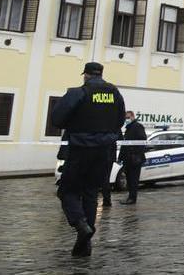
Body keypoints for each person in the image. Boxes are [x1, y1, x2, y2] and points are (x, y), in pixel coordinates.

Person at [51, 62, 125, 257]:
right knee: (91, 194)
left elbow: (57, 119)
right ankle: (85, 245)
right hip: (104, 151)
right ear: (101, 74)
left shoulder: (79, 92)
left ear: (86, 76)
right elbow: (119, 122)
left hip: (81, 149)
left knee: (67, 191)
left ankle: (80, 224)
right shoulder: (115, 93)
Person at [119, 110, 147, 205]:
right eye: (125, 118)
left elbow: (142, 141)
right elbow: (124, 144)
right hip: (128, 159)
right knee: (129, 179)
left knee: (133, 179)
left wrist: (135, 154)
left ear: (132, 117)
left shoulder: (137, 126)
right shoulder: (128, 128)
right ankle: (130, 197)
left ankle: (132, 198)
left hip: (134, 159)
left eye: (127, 118)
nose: (126, 120)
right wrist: (120, 157)